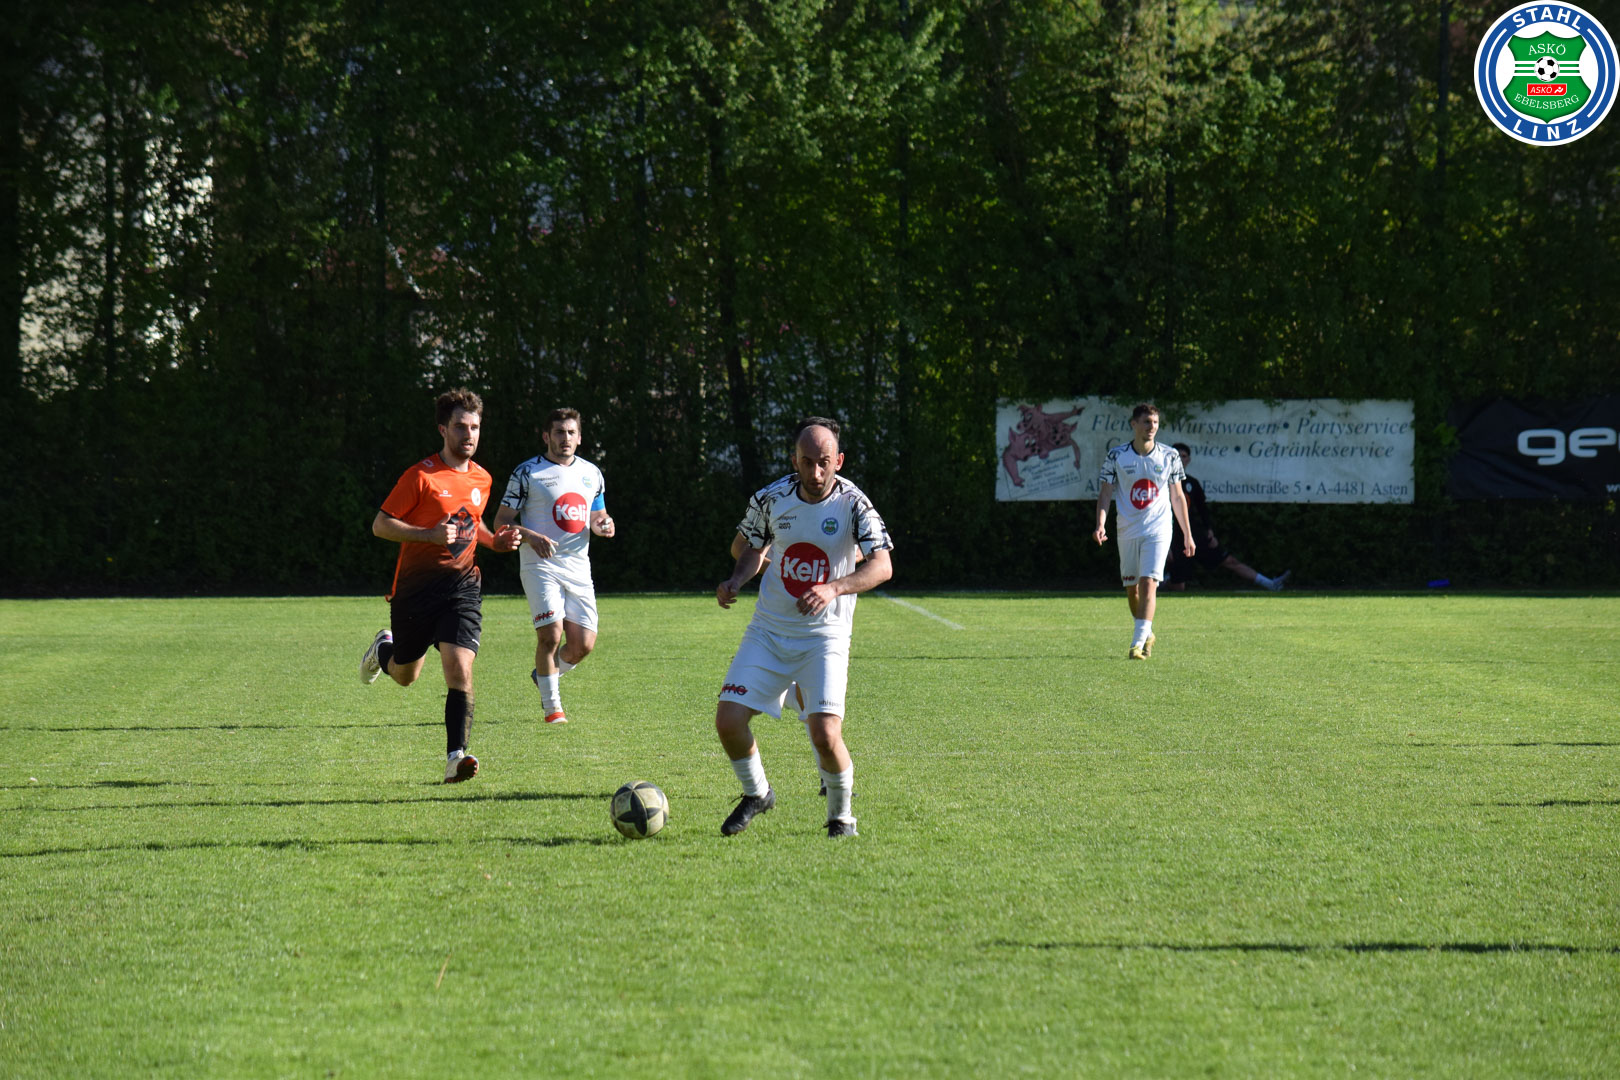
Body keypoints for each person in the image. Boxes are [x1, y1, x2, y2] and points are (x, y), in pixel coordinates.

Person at [714, 417, 893, 838]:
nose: (815, 472)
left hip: (824, 637)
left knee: (825, 734)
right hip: (768, 630)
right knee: (728, 721)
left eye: (824, 462)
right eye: (807, 462)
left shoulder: (854, 504)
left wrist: (833, 588)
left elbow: (882, 565)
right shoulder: (771, 498)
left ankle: (841, 818)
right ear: (794, 460)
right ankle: (757, 793)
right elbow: (750, 548)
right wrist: (736, 580)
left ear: (838, 461)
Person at [359, 388, 524, 782]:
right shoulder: (421, 476)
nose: (469, 434)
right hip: (415, 592)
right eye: (460, 427)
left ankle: (455, 757)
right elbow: (381, 525)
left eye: (475, 427)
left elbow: (472, 523)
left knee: (460, 667)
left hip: (462, 588)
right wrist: (428, 535)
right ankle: (383, 650)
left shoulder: (482, 478)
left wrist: (494, 542)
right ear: (442, 430)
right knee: (405, 674)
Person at [492, 407, 615, 725]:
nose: (565, 438)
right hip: (540, 565)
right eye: (559, 432)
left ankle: (543, 675)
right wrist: (530, 536)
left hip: (578, 567)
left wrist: (604, 524)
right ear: (546, 436)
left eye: (571, 432)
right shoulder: (527, 473)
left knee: (583, 645)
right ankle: (553, 710)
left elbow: (597, 515)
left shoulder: (592, 473)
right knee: (551, 635)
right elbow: (501, 521)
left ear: (580, 438)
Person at [1093, 403, 1196, 660]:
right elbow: (1105, 493)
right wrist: (1100, 524)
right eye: (1147, 422)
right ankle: (1147, 632)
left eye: (1155, 423)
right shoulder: (1117, 456)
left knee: (1149, 582)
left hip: (1158, 529)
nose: (1152, 427)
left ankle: (1136, 645)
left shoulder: (1170, 455)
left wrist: (1187, 533)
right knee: (1132, 589)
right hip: (1127, 529)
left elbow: (1177, 497)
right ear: (1134, 424)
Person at [1164, 443, 1290, 592]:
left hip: (1192, 534)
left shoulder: (1192, 483)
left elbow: (1202, 510)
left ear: (1188, 460)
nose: (1180, 460)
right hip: (1172, 536)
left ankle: (1270, 584)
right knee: (1178, 586)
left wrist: (1209, 530)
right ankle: (1155, 583)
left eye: (1183, 456)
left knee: (1229, 560)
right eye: (1177, 456)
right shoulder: (1162, 482)